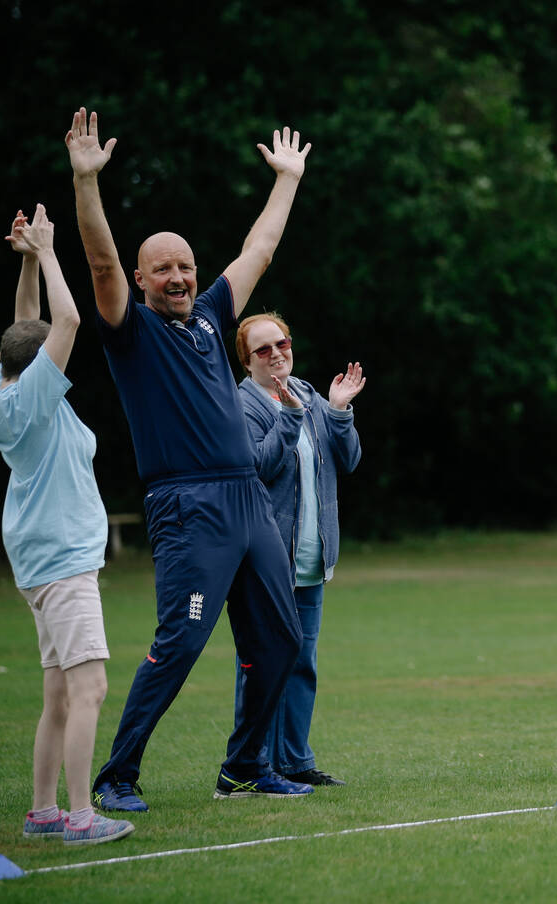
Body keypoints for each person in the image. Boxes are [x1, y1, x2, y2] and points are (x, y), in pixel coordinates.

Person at [64, 107, 317, 809]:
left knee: (281, 641)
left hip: (248, 502)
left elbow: (259, 249)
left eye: (185, 266)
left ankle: (242, 770)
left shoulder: (210, 317)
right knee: (180, 642)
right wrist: (87, 183)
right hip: (190, 506)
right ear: (142, 280)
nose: (177, 277)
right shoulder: (131, 330)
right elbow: (100, 260)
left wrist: (287, 181)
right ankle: (117, 775)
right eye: (163, 269)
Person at [0, 205, 134, 846]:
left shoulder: (0, 395)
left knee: (60, 695)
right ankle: (79, 816)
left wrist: (30, 264)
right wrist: (48, 247)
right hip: (64, 561)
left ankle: (41, 813)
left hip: (39, 561)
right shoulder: (38, 394)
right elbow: (65, 321)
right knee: (90, 687)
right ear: (41, 366)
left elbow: (26, 328)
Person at [232, 312, 365, 787]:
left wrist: (339, 411)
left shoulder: (309, 395)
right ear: (246, 362)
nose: (276, 355)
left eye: (281, 343)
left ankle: (294, 760)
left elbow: (347, 460)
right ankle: (251, 765)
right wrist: (288, 420)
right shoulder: (240, 404)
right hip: (265, 561)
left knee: (301, 663)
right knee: (261, 664)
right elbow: (257, 468)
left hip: (311, 556)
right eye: (262, 350)